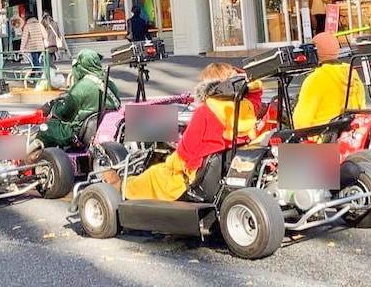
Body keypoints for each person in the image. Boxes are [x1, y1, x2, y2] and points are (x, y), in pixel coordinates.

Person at [104, 63, 263, 201]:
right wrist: (242, 81)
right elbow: (256, 93)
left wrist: (169, 162)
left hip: (195, 178)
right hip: (225, 168)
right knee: (157, 123)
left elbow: (183, 154)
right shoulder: (246, 108)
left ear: (208, 86)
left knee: (153, 174)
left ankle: (119, 187)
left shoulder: (205, 112)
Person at [37, 49, 121, 148]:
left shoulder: (81, 87)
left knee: (46, 128)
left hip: (79, 133)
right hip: (101, 130)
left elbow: (66, 114)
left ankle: (39, 160)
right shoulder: (109, 83)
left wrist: (55, 107)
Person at [292, 32, 366, 129]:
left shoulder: (315, 79)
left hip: (323, 139)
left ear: (315, 53)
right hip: (350, 135)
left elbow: (301, 122)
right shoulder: (352, 73)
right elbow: (362, 107)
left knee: (274, 141)